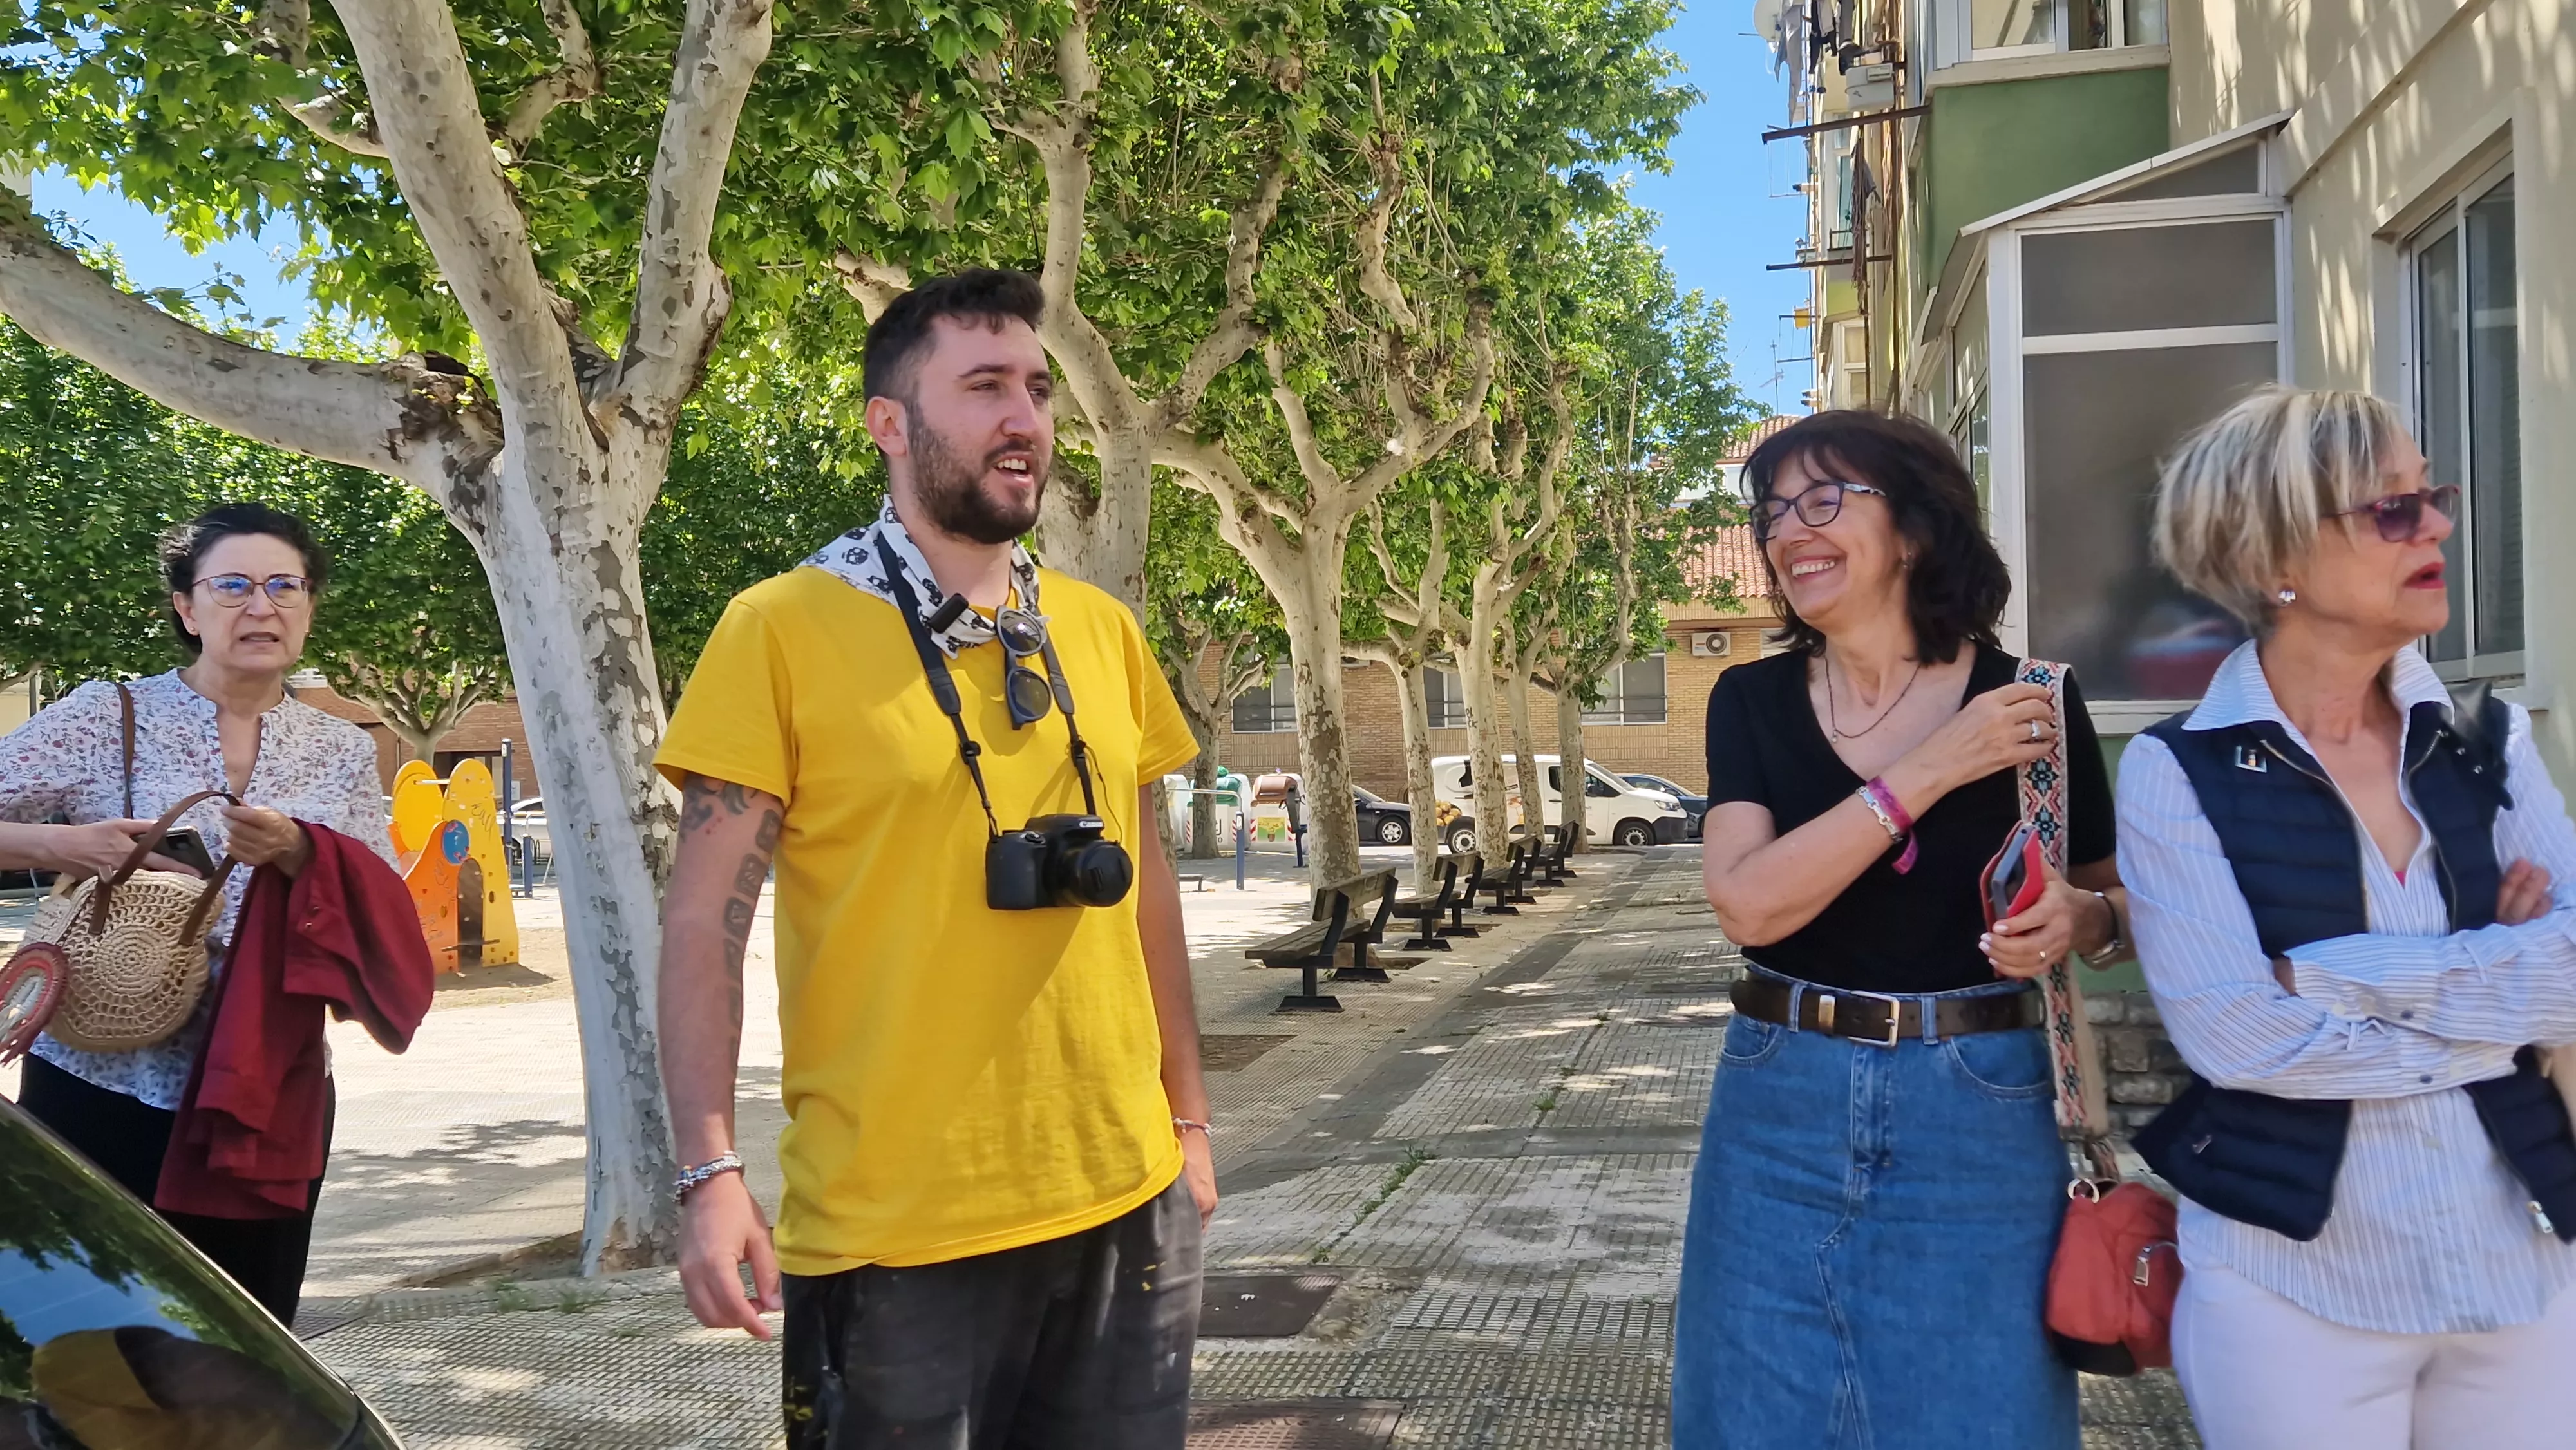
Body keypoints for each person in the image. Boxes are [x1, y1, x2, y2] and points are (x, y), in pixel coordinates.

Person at [655, 268, 1215, 1449]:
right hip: (895, 1230)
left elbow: (1146, 887)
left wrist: (1192, 1129)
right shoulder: (780, 627)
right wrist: (708, 1174)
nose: (1025, 417)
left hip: (1126, 1198)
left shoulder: (1100, 630)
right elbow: (706, 921)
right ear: (891, 424)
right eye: (984, 387)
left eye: (1036, 388)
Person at [2119, 386, 2576, 1447]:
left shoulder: (2485, 739)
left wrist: (2336, 972)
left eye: (2434, 497)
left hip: (2522, 1258)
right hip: (2293, 1286)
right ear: (2270, 550)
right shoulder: (2178, 769)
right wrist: (2496, 983)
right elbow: (2236, 1037)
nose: (2440, 527)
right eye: (2392, 510)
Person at [1679, 410, 2129, 1449]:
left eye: (1825, 499)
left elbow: (2117, 910)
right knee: (1750, 1414)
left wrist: (2083, 914)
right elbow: (1747, 902)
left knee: (1981, 1410)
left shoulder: (2034, 704)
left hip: (1982, 1105)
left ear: (1916, 530)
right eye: (1773, 511)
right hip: (1775, 1096)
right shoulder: (1749, 700)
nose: (1790, 529)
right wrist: (1930, 769)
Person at [0, 502, 396, 1325]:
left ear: (311, 603)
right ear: (187, 606)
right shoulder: (106, 715)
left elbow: (379, 900)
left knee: (241, 1341)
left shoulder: (342, 747)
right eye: (235, 585)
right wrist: (66, 845)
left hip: (265, 1087)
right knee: (83, 1335)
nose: (264, 607)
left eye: (286, 585)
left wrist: (298, 850)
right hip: (100, 1080)